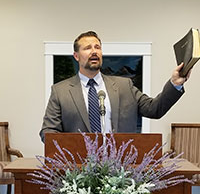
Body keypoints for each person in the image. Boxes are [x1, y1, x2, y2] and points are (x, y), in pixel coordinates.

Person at [40, 31, 190, 143]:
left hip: (120, 171)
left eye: (97, 47)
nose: (94, 51)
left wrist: (175, 84)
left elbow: (155, 109)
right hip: (78, 172)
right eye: (87, 48)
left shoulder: (125, 86)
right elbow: (48, 131)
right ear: (76, 56)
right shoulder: (60, 91)